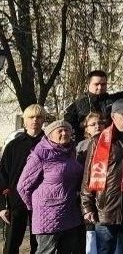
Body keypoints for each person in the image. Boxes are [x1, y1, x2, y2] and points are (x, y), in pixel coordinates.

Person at [80, 99, 123, 254]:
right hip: (105, 209)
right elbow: (88, 175)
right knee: (105, 250)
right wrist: (87, 206)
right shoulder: (98, 141)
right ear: (113, 116)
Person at [17, 120, 84, 253]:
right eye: (59, 131)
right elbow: (23, 186)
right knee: (47, 251)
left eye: (67, 130)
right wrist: (35, 206)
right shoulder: (40, 153)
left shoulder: (71, 151)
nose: (64, 133)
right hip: (48, 215)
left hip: (69, 212)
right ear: (49, 135)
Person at [0, 104, 45, 254]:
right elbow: (3, 175)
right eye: (31, 117)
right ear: (24, 121)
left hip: (41, 200)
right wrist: (2, 206)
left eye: (38, 117)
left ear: (43, 120)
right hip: (16, 201)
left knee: (38, 243)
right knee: (12, 242)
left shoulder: (49, 144)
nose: (35, 120)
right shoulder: (13, 146)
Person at [64, 58, 123, 138]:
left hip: (109, 141)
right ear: (88, 85)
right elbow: (67, 125)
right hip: (86, 144)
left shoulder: (111, 100)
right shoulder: (79, 104)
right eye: (96, 84)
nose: (100, 87)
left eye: (103, 84)